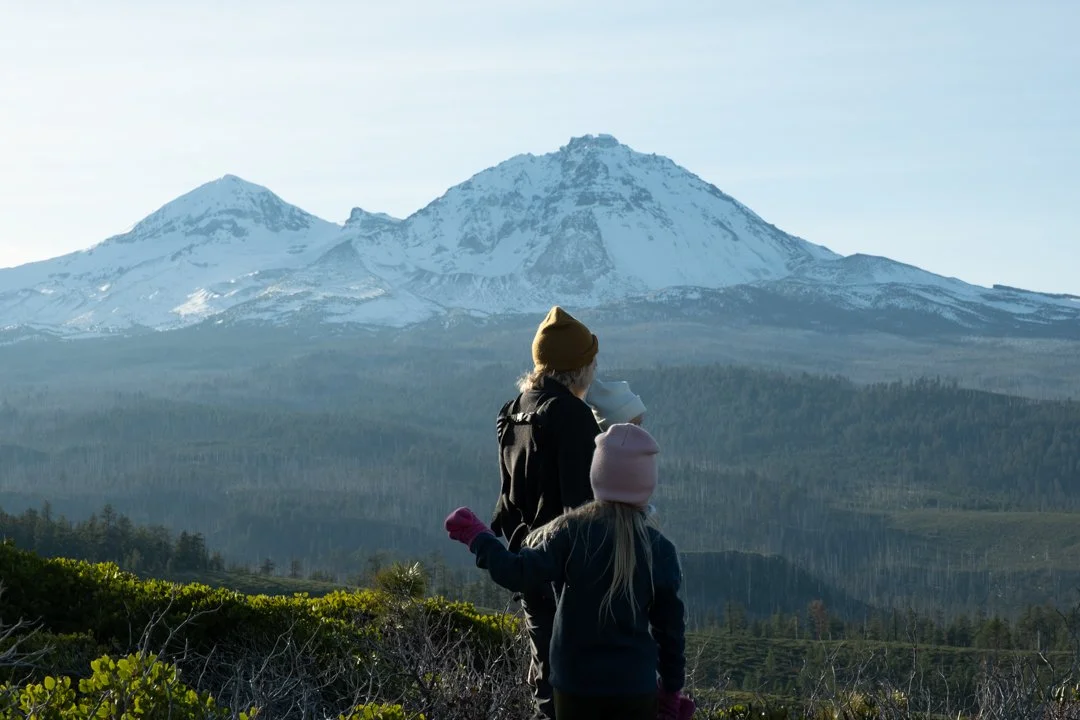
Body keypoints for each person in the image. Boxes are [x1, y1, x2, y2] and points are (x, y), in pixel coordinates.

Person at [448, 424, 691, 720]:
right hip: (635, 689)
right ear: (647, 483)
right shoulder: (659, 549)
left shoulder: (570, 532)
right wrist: (670, 693)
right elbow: (671, 632)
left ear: (597, 475)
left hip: (575, 687)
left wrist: (478, 537)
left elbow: (519, 573)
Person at [490, 306, 602, 718]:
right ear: (578, 369)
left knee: (546, 675)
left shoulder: (514, 408)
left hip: (527, 558)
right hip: (566, 570)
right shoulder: (572, 416)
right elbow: (586, 503)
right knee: (576, 681)